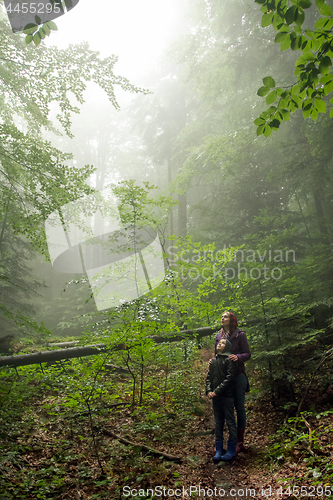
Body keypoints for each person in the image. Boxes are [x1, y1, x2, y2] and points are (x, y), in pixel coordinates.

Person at [213, 311, 251, 454]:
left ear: (232, 320)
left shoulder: (240, 335)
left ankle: (240, 442)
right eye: (222, 317)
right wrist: (213, 361)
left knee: (239, 407)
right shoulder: (218, 337)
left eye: (226, 317)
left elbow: (247, 353)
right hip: (223, 379)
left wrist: (238, 357)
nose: (223, 318)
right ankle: (223, 443)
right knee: (225, 409)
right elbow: (216, 355)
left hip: (238, 375)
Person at [206, 338, 237, 462]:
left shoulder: (229, 360)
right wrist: (208, 390)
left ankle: (231, 449)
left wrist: (217, 391)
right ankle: (218, 449)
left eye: (223, 343)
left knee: (230, 422)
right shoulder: (213, 360)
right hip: (215, 397)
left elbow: (230, 378)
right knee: (218, 423)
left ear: (228, 347)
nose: (220, 344)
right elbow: (209, 377)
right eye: (219, 342)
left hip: (227, 396)